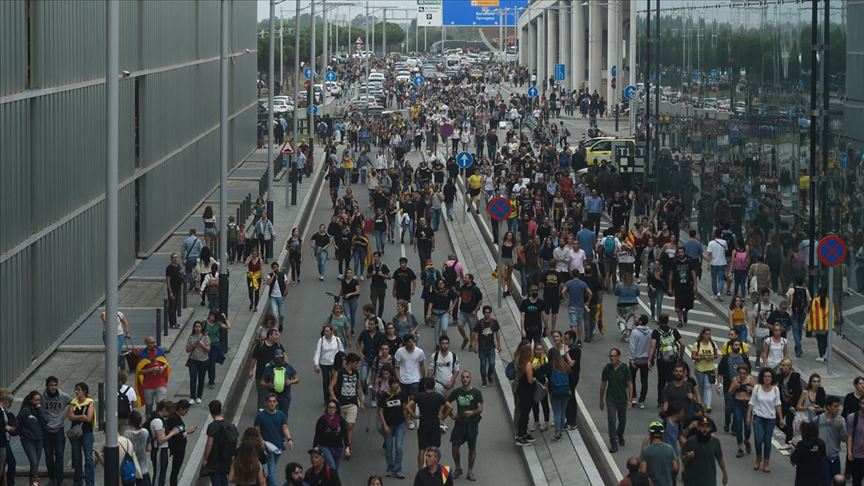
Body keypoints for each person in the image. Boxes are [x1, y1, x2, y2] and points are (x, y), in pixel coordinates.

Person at [442, 371, 482, 481]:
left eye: (467, 377)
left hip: (472, 425)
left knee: (472, 449)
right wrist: (451, 415)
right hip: (459, 424)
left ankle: (470, 471)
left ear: (470, 378)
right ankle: (458, 468)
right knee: (455, 448)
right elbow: (446, 402)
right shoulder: (457, 392)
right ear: (461, 379)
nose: (465, 379)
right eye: (463, 377)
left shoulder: (476, 392)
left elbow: (480, 409)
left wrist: (472, 413)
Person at [747, 367, 785, 473]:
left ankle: (766, 461)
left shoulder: (775, 389)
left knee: (767, 441)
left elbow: (778, 404)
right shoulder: (757, 388)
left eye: (769, 376)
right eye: (765, 376)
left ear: (772, 378)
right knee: (758, 439)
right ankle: (758, 457)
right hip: (758, 417)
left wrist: (781, 418)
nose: (767, 378)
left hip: (770, 419)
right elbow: (752, 402)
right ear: (762, 377)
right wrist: (748, 415)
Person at [408, 377, 447, 470]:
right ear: (434, 386)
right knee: (435, 449)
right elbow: (449, 407)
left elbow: (408, 406)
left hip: (423, 423)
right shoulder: (438, 396)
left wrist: (414, 415)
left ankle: (420, 470)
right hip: (434, 424)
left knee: (422, 449)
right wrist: (443, 417)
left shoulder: (420, 396)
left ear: (425, 386)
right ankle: (434, 468)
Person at [254, 394, 293, 486]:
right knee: (271, 471)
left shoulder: (281, 414)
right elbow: (256, 430)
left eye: (274, 401)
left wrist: (289, 439)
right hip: (267, 447)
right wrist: (261, 441)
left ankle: (264, 482)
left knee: (270, 468)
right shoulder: (260, 416)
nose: (272, 403)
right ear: (266, 403)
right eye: (270, 401)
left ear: (277, 403)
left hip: (278, 447)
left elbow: (285, 428)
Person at [329, 353, 364, 452]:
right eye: (356, 363)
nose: (357, 366)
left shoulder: (356, 373)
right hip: (341, 404)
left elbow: (358, 388)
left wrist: (361, 402)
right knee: (341, 426)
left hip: (352, 403)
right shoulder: (339, 372)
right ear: (351, 363)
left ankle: (348, 446)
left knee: (350, 425)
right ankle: (340, 442)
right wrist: (334, 397)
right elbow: (331, 386)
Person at [600, 348, 633, 453]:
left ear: (618, 356)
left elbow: (629, 384)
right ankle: (613, 443)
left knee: (622, 420)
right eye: (610, 356)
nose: (611, 358)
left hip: (622, 399)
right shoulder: (607, 368)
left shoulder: (624, 368)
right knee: (612, 420)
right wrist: (601, 400)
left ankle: (620, 434)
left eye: (613, 356)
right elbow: (603, 383)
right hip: (611, 399)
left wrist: (630, 400)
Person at [648, 315, 684, 408]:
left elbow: (652, 345)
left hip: (662, 360)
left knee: (661, 381)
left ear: (659, 321)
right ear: (668, 321)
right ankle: (672, 400)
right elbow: (683, 344)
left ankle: (661, 401)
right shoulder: (673, 331)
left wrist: (650, 359)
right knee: (672, 380)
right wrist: (681, 357)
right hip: (673, 360)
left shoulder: (656, 332)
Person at [681, 416, 728, 486]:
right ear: (698, 427)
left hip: (709, 481)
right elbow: (683, 460)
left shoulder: (715, 442)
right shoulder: (690, 441)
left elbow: (720, 458)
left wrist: (725, 474)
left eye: (707, 426)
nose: (705, 429)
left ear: (710, 428)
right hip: (692, 481)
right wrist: (688, 457)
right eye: (702, 426)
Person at [41, 376, 70, 486]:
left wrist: (65, 415)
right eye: (51, 385)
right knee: (48, 457)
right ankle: (51, 479)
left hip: (59, 430)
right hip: (46, 431)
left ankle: (60, 480)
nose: (53, 387)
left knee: (60, 455)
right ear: (47, 386)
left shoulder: (63, 396)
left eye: (55, 385)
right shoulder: (42, 397)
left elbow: (74, 402)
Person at [202, 400, 238, 486]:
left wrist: (206, 458)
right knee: (223, 477)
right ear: (220, 409)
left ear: (210, 411)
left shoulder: (212, 426)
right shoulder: (229, 424)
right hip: (226, 457)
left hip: (215, 458)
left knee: (215, 479)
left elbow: (209, 444)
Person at [814, 395, 848, 485]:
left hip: (834, 456)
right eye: (835, 406)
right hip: (821, 457)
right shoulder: (818, 420)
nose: (838, 409)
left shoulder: (841, 420)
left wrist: (841, 429)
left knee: (837, 482)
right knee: (824, 482)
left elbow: (845, 439)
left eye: (839, 406)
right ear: (828, 407)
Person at [248, 328, 286, 409]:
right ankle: (261, 411)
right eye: (275, 335)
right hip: (261, 375)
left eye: (278, 335)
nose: (277, 336)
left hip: (274, 376)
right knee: (262, 395)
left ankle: (272, 411)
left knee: (273, 395)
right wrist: (251, 370)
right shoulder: (260, 346)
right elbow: (254, 358)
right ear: (269, 335)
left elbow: (285, 359)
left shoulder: (278, 346)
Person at [135, 336, 171, 416]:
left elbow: (166, 363)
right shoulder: (142, 356)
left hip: (160, 384)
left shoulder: (160, 352)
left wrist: (162, 367)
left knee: (160, 406)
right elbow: (139, 372)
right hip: (148, 386)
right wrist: (150, 370)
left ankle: (159, 421)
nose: (154, 344)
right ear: (146, 343)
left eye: (154, 342)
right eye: (151, 343)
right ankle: (148, 423)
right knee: (148, 407)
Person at [378, 377, 407, 479]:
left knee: (398, 446)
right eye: (394, 384)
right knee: (389, 448)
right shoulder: (384, 396)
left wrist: (406, 421)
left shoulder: (402, 395)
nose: (396, 386)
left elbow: (404, 408)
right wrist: (385, 425)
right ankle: (390, 468)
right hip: (389, 425)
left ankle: (398, 470)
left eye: (397, 384)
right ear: (390, 385)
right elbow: (380, 411)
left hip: (400, 425)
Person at [149, 400, 180, 486]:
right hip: (160, 450)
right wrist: (172, 433)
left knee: (161, 475)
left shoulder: (160, 419)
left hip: (162, 450)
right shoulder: (158, 421)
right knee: (159, 476)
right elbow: (160, 440)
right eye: (169, 412)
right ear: (163, 409)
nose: (170, 414)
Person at [164, 400, 195, 486]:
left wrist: (185, 430)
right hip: (177, 448)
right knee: (175, 471)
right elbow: (176, 435)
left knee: (175, 471)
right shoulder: (174, 419)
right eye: (186, 411)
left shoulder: (175, 418)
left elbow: (179, 431)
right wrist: (187, 432)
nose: (186, 413)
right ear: (181, 409)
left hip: (179, 447)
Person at [312, 401, 349, 472]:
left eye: (333, 407)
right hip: (325, 447)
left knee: (335, 472)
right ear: (327, 408)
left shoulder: (340, 420)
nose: (331, 409)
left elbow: (345, 433)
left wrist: (347, 446)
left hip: (338, 447)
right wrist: (315, 447)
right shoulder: (322, 420)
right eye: (329, 407)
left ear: (336, 409)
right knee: (332, 468)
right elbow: (317, 434)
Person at [17, 391, 44, 486]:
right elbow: (18, 423)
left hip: (39, 439)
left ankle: (33, 483)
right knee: (34, 461)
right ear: (30, 400)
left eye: (39, 400)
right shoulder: (25, 410)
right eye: (35, 400)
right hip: (28, 439)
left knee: (35, 464)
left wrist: (40, 410)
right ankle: (35, 482)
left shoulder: (40, 409)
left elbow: (45, 421)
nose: (38, 402)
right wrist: (21, 434)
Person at [471, 306, 502, 387]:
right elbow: (476, 334)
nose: (487, 314)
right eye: (485, 312)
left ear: (490, 313)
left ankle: (489, 376)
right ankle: (484, 380)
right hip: (482, 348)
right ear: (483, 313)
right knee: (483, 365)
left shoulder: (494, 322)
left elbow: (497, 333)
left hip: (491, 347)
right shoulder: (479, 323)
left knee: (492, 363)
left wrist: (499, 345)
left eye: (489, 312)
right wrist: (475, 345)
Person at [641, 421, 679, 486]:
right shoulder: (670, 449)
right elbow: (675, 467)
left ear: (650, 435)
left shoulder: (645, 451)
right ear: (662, 434)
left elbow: (643, 471)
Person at [314, 325, 345, 404]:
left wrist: (344, 362)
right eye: (325, 331)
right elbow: (317, 352)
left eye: (327, 331)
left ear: (332, 331)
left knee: (334, 380)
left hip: (334, 364)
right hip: (324, 363)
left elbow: (341, 351)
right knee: (326, 381)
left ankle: (335, 397)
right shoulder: (321, 340)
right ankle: (327, 399)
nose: (326, 333)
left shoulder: (337, 340)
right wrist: (316, 364)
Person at [690, 328, 718, 413]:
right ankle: (701, 400)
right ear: (702, 335)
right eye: (706, 334)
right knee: (701, 385)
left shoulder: (713, 344)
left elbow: (716, 355)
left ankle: (708, 404)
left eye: (709, 334)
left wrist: (712, 357)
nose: (708, 336)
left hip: (710, 368)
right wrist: (702, 357)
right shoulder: (697, 344)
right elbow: (693, 356)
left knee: (708, 386)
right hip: (700, 368)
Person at [668, 247, 698, 328]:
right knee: (678, 305)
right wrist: (670, 287)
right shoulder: (674, 262)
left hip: (688, 286)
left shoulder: (689, 262)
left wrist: (695, 285)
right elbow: (671, 275)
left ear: (684, 252)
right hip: (678, 287)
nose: (680, 254)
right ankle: (680, 321)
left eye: (682, 252)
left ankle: (686, 312)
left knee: (689, 304)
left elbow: (693, 274)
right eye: (679, 252)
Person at [792, 420, 826, 486]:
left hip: (802, 479)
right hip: (816, 478)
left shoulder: (801, 445)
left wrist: (793, 450)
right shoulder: (821, 443)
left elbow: (793, 461)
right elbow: (823, 456)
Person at [562, 271, 592, 344]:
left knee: (573, 323)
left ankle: (573, 339)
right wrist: (588, 302)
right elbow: (590, 293)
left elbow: (563, 291)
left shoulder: (569, 283)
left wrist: (566, 300)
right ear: (579, 275)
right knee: (580, 323)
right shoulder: (583, 283)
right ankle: (579, 340)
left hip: (572, 305)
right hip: (580, 306)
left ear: (572, 274)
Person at [394, 335, 426, 403]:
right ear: (405, 343)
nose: (411, 344)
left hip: (415, 379)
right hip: (403, 379)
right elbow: (396, 367)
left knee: (413, 400)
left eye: (412, 342)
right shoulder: (399, 352)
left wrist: (424, 378)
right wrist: (398, 379)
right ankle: (405, 413)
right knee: (404, 400)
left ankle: (412, 413)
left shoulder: (420, 352)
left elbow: (422, 366)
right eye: (409, 342)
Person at [123, 410, 152, 486]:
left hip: (130, 469)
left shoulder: (126, 434)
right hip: (143, 469)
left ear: (129, 421)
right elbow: (149, 448)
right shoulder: (145, 432)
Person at [807, 286, 835, 362]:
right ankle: (824, 354)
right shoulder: (829, 301)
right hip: (826, 325)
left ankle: (821, 355)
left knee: (819, 341)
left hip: (818, 325)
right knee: (825, 340)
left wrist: (810, 325)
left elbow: (812, 313)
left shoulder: (815, 301)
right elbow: (832, 313)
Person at [186, 321, 211, 404]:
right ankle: (192, 397)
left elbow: (208, 349)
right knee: (193, 379)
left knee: (201, 379)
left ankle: (199, 396)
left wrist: (202, 344)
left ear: (201, 328)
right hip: (193, 361)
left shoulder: (205, 337)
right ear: (194, 328)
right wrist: (192, 346)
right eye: (196, 326)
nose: (197, 328)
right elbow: (187, 350)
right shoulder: (191, 337)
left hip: (203, 361)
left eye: (199, 326)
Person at [786, 276, 812, 357]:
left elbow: (788, 301)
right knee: (799, 329)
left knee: (795, 330)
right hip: (802, 313)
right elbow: (809, 301)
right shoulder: (805, 290)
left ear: (795, 282)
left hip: (794, 312)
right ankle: (798, 346)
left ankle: (798, 347)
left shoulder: (791, 290)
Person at [456, 274, 483, 350]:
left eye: (466, 278)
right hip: (463, 311)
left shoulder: (475, 289)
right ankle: (465, 338)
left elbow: (480, 299)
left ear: (470, 279)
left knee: (472, 329)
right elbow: (461, 295)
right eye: (464, 278)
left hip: (472, 312)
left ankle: (471, 344)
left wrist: (476, 310)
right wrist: (454, 291)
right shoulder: (463, 287)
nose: (464, 279)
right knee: (459, 326)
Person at [846, 394, 864, 486]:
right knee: (856, 479)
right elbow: (850, 435)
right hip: (857, 453)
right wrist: (849, 451)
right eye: (863, 403)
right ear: (859, 404)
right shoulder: (853, 417)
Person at [266, 262, 289, 332]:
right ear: (272, 269)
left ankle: (281, 324)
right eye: (274, 267)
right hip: (273, 297)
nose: (275, 268)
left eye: (276, 267)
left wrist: (285, 291)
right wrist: (273, 276)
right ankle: (274, 328)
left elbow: (286, 284)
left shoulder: (282, 275)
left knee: (281, 315)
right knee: (274, 314)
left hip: (280, 297)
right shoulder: (269, 275)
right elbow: (268, 283)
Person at [707, 230, 729, 300]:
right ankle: (720, 293)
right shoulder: (724, 242)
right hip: (722, 263)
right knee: (721, 279)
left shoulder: (711, 243)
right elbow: (726, 250)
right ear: (721, 235)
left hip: (713, 263)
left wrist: (708, 263)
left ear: (714, 235)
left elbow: (709, 254)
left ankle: (715, 293)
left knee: (713, 279)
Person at [367, 252, 391, 318]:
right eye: (374, 256)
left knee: (381, 303)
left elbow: (389, 277)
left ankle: (379, 317)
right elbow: (367, 276)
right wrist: (372, 274)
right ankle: (374, 316)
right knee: (373, 303)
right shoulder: (371, 266)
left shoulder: (384, 266)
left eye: (376, 256)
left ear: (380, 257)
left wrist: (382, 275)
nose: (375, 258)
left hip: (382, 287)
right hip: (374, 287)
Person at [165, 253, 184, 329]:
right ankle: (172, 323)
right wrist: (170, 292)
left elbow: (181, 274)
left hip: (178, 288)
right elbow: (168, 280)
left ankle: (175, 322)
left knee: (176, 306)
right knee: (172, 306)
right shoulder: (169, 268)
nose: (175, 259)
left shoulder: (179, 266)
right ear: (171, 259)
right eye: (174, 258)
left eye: (176, 257)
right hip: (172, 289)